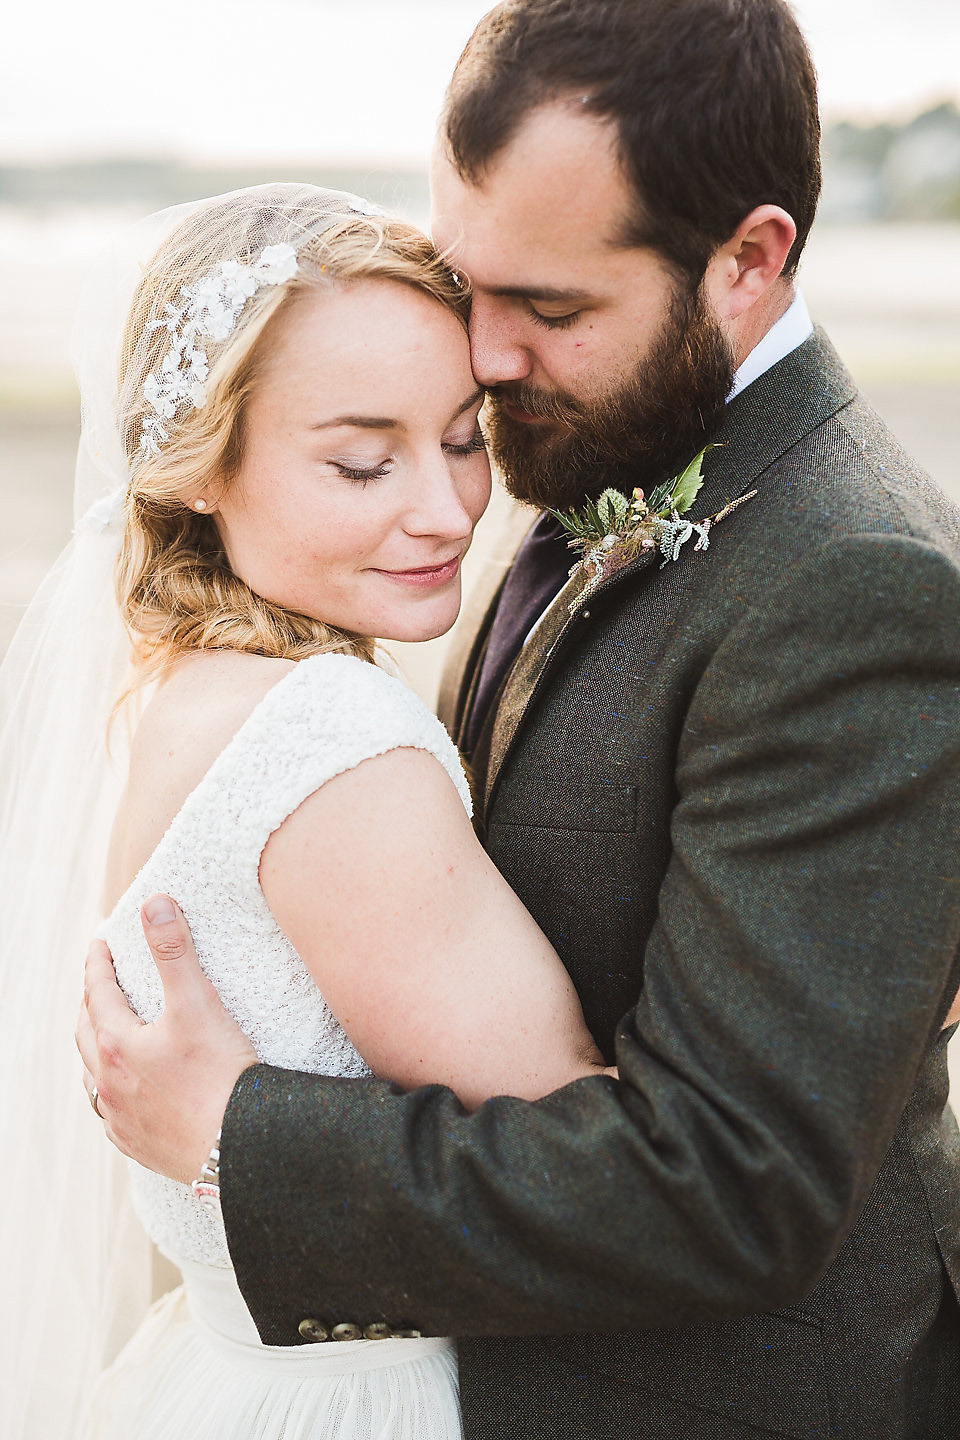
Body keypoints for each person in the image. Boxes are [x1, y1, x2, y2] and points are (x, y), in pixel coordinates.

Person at [79, 1, 960, 1435]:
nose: (482, 359)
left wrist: (242, 1143)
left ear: (749, 262)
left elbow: (734, 1190)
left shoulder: (851, 579)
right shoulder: (579, 448)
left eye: (548, 308)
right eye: (469, 284)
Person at [0, 182, 620, 1439]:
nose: (448, 510)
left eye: (461, 436)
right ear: (198, 473)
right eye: (359, 459)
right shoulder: (329, 736)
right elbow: (592, 1173)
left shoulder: (171, 681)